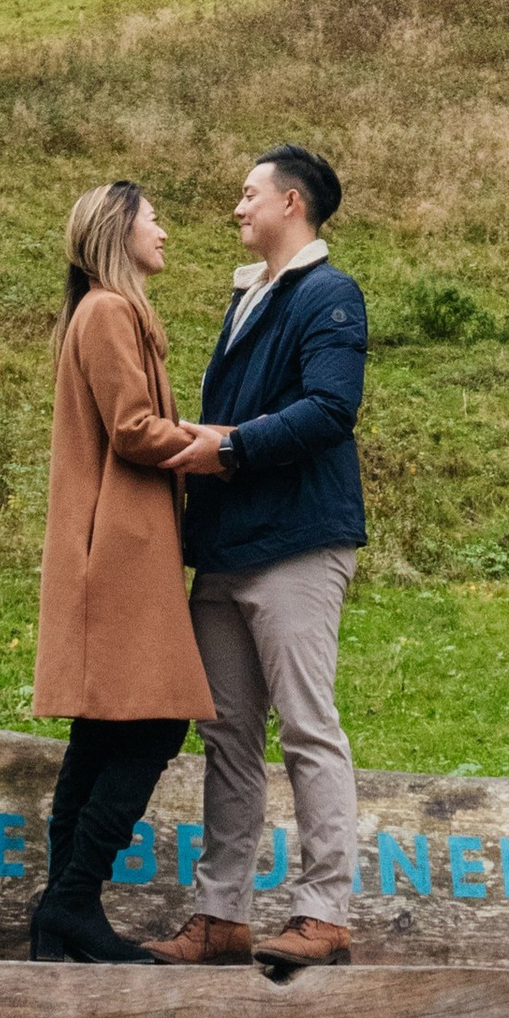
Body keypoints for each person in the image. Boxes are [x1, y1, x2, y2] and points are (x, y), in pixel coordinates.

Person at [153, 143, 367, 969]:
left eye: (249, 193)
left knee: (308, 725)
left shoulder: (329, 294)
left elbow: (331, 408)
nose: (237, 207)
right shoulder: (248, 296)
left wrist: (229, 447)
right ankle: (222, 916)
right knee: (227, 735)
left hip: (298, 541)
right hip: (228, 547)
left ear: (291, 202)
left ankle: (325, 912)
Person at [28, 178, 216, 963]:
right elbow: (135, 429)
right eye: (153, 219)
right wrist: (223, 449)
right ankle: (71, 900)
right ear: (118, 230)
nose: (164, 231)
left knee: (103, 728)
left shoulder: (103, 310)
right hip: (120, 551)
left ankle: (59, 912)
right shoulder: (108, 310)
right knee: (156, 721)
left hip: (117, 545)